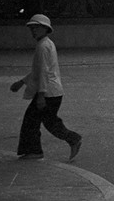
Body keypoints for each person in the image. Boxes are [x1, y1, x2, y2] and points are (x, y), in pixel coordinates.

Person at [9, 14, 83, 162]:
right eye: (32, 28)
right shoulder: (46, 44)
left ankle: (36, 150)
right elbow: (39, 70)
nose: (33, 31)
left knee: (32, 121)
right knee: (48, 122)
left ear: (45, 29)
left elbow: (42, 72)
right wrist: (22, 82)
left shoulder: (43, 46)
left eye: (36, 28)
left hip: (48, 93)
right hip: (52, 92)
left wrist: (41, 95)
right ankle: (71, 139)